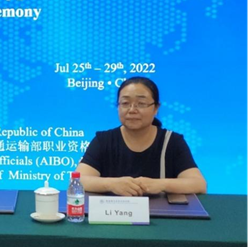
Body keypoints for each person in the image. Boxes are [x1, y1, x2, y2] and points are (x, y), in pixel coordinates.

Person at [76, 77, 206, 196]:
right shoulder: (103, 140)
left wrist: (160, 184)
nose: (132, 110)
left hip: (161, 212)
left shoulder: (172, 141)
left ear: (156, 108)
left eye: (141, 103)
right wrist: (112, 184)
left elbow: (199, 184)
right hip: (113, 212)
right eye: (125, 103)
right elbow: (78, 180)